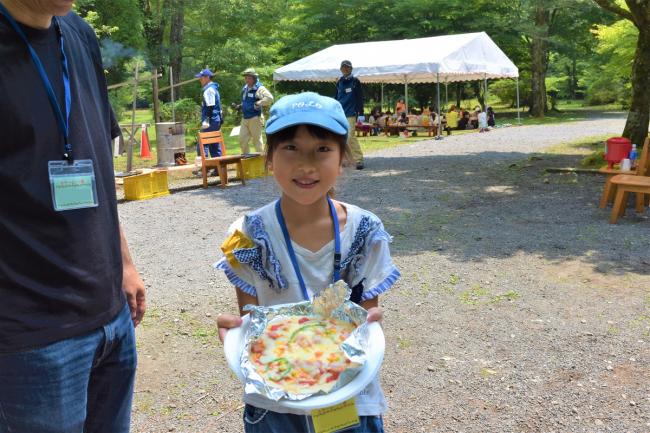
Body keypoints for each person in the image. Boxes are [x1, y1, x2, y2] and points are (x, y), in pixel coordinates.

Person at [215, 92, 400, 433]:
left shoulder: (366, 230)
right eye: (290, 148)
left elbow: (367, 325)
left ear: (343, 156)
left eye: (322, 149)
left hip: (348, 395)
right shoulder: (246, 235)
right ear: (269, 157)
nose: (306, 165)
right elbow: (254, 324)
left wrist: (370, 322)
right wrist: (236, 337)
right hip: (274, 403)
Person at [0, 1, 146, 432]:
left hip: (111, 318)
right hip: (29, 338)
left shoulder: (77, 32)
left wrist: (123, 260)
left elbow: (95, 153)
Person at [335, 60, 365, 169]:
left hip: (351, 113)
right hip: (340, 113)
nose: (345, 69)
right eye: (343, 67)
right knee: (346, 137)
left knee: (349, 136)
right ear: (340, 69)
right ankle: (354, 159)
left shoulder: (355, 81)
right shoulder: (339, 82)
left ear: (351, 68)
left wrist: (361, 112)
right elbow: (336, 98)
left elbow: (360, 98)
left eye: (347, 67)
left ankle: (354, 159)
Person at [239, 67, 274, 155]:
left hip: (255, 117)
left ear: (254, 78)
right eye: (246, 77)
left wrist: (258, 103)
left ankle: (262, 163)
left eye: (249, 77)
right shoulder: (245, 88)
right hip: (245, 118)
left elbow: (270, 98)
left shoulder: (259, 88)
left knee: (257, 141)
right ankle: (246, 160)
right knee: (242, 140)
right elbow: (246, 101)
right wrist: (240, 106)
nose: (247, 79)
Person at [195, 68, 222, 161]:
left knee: (202, 143)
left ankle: (204, 167)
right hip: (214, 119)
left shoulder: (209, 90)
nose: (200, 80)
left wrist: (206, 120)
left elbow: (211, 106)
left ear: (207, 78)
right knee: (214, 144)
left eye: (201, 78)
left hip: (211, 120)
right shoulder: (211, 88)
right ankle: (218, 168)